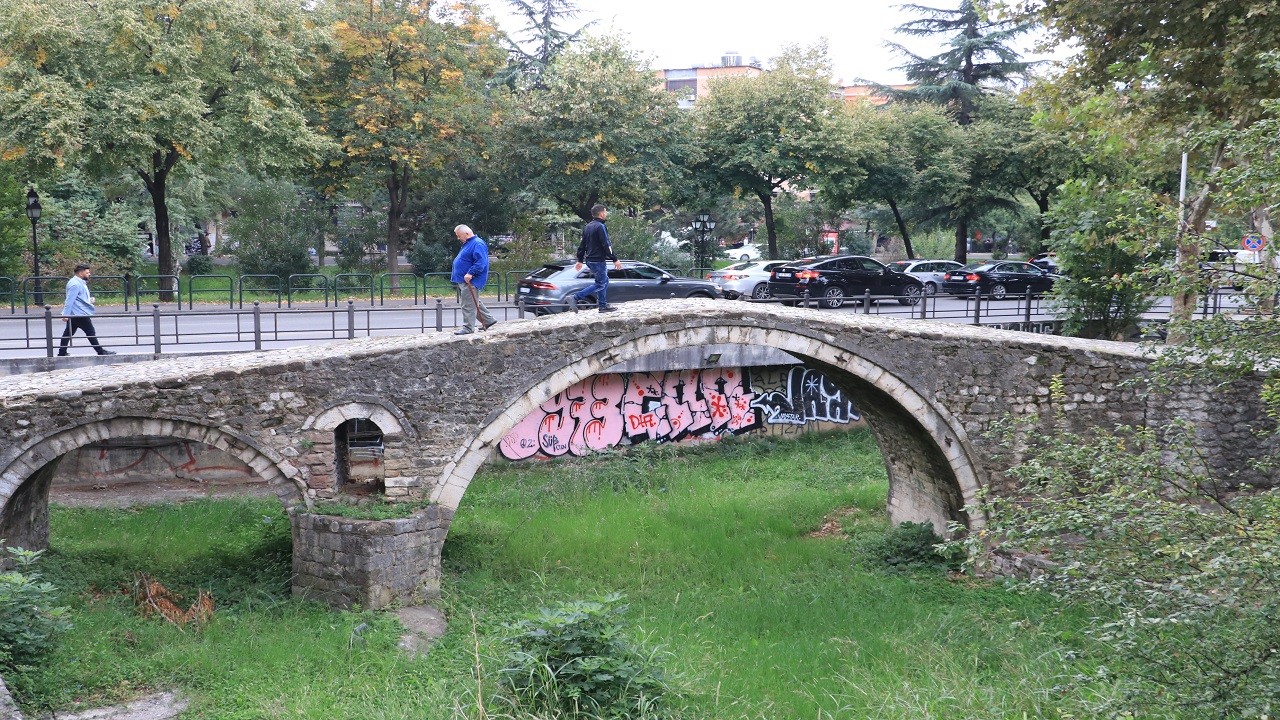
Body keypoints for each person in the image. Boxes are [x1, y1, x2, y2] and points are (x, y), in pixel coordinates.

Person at [569, 204, 622, 313]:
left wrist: (580, 260)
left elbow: (582, 245)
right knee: (600, 284)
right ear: (601, 213)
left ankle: (602, 306)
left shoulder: (587, 226)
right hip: (598, 260)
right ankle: (575, 297)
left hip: (590, 260)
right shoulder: (600, 226)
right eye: (605, 212)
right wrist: (614, 259)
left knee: (604, 281)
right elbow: (606, 244)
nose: (606, 214)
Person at [58, 263, 115, 356]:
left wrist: (89, 300)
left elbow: (78, 298)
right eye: (87, 272)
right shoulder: (75, 284)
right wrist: (65, 314)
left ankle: (62, 352)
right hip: (79, 313)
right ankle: (100, 351)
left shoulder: (79, 282)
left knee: (68, 333)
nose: (89, 274)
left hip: (76, 312)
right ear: (81, 273)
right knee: (90, 332)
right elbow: (69, 300)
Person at [450, 225, 497, 335]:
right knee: (473, 301)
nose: (458, 238)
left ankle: (468, 328)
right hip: (466, 279)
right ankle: (488, 321)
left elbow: (481, 262)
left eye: (459, 236)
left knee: (468, 304)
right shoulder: (470, 243)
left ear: (466, 233)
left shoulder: (477, 243)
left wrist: (470, 273)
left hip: (471, 280)